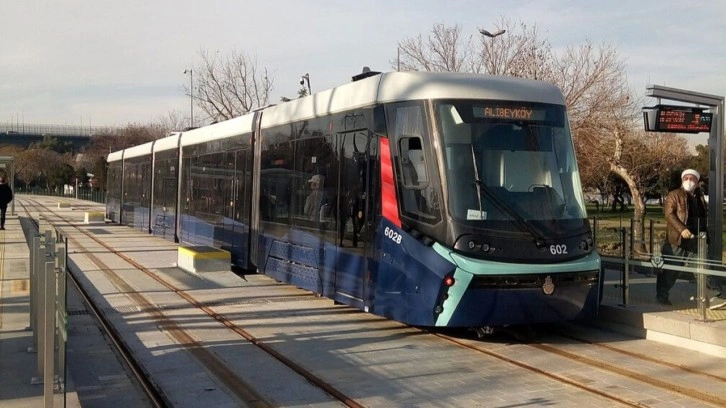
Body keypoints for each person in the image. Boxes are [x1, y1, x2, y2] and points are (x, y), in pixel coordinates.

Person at [657, 169, 725, 308]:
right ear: (682, 180)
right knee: (671, 270)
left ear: (697, 181)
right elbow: (669, 215)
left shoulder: (699, 197)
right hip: (677, 240)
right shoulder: (674, 195)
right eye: (686, 178)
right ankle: (661, 295)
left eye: (692, 178)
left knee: (702, 268)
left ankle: (713, 297)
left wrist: (704, 236)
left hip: (695, 240)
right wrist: (682, 229)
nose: (689, 180)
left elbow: (702, 217)